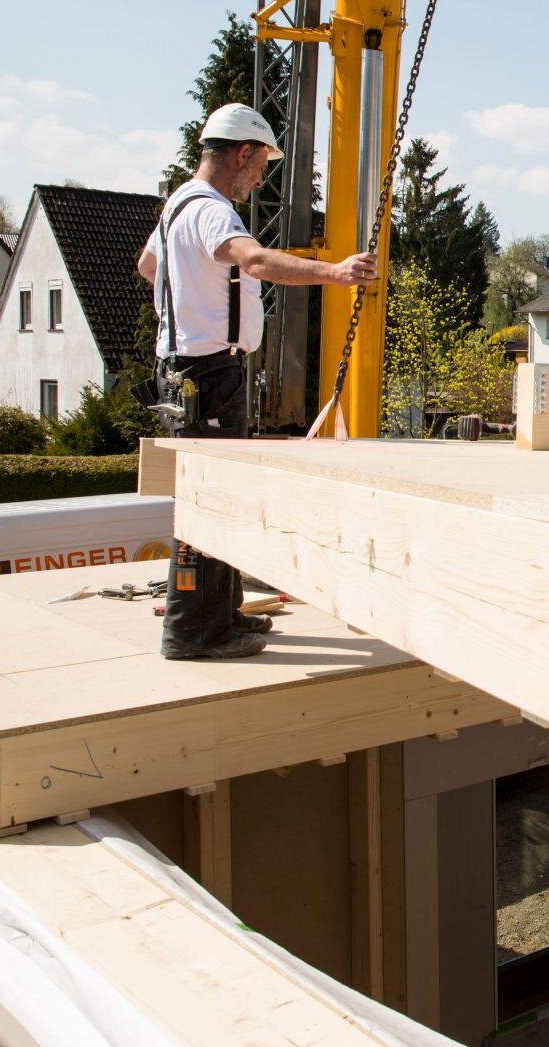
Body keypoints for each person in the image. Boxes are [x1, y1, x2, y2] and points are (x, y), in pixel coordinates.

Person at [135, 103, 378, 659]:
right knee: (208, 504)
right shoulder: (211, 210)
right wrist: (335, 272)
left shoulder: (177, 206)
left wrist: (186, 304)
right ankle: (193, 633)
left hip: (189, 370)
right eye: (262, 164)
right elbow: (257, 262)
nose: (261, 178)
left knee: (218, 497)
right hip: (209, 374)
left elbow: (150, 267)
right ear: (242, 153)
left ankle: (220, 616)